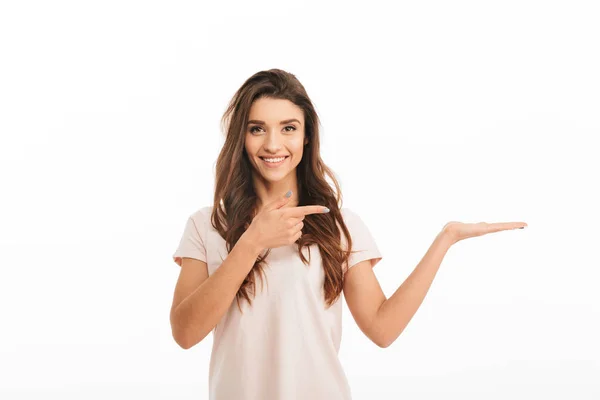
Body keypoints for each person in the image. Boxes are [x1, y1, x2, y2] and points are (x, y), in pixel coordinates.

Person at [169, 69, 528, 400]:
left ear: (307, 137)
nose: (273, 145)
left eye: (289, 128)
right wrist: (252, 242)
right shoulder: (207, 225)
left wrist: (446, 238)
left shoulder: (340, 227)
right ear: (241, 137)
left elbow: (382, 329)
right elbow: (185, 334)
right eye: (257, 128)